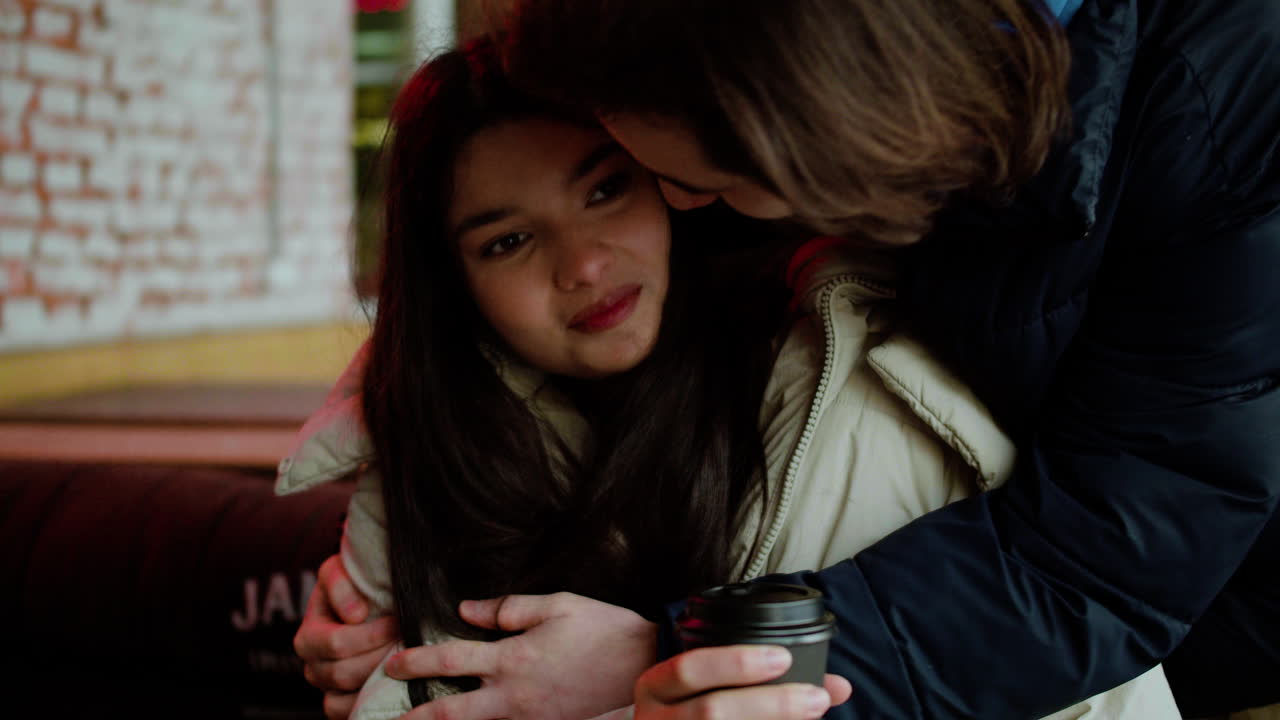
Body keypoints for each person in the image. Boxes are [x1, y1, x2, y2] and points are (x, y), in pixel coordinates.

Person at [295, 0, 1280, 718]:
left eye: (678, 182)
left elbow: (1107, 561)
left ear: (817, 148)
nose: (674, 213)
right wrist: (391, 461)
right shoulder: (771, 101)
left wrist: (677, 648)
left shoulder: (1220, 112)